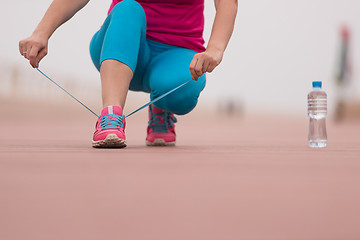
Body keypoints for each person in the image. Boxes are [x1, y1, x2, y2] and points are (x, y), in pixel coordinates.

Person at [19, 0, 238, 148]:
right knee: (128, 8)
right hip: (121, 45)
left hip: (176, 52)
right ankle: (110, 115)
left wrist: (215, 49)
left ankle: (160, 106)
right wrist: (41, 33)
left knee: (182, 93)